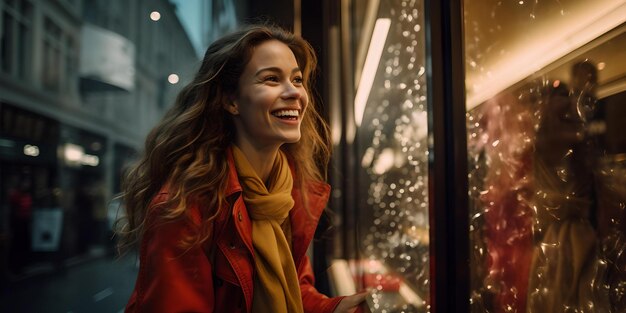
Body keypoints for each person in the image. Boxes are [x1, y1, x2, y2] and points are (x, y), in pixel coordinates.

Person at [120, 24, 368, 312]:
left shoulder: (285, 189)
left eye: (297, 80)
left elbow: (293, 287)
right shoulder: (182, 207)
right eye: (272, 79)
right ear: (231, 100)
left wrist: (332, 308)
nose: (294, 93)